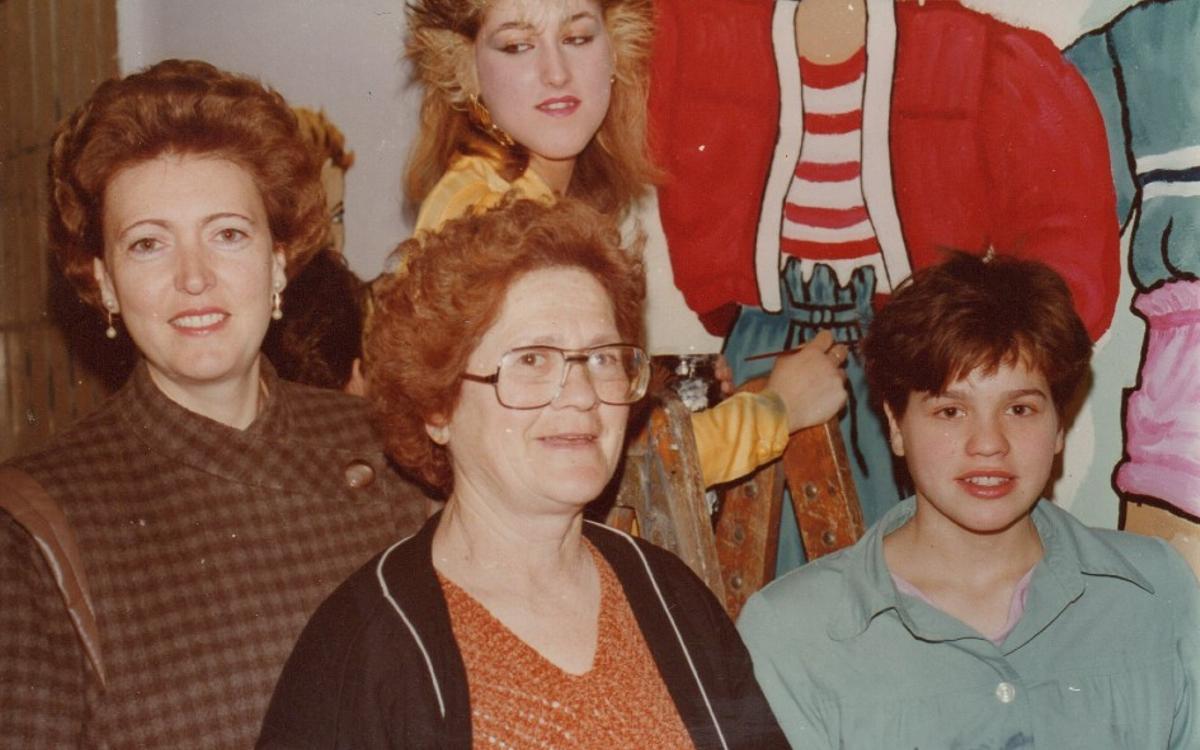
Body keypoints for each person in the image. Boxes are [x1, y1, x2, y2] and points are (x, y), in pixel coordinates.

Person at [0, 59, 428, 747]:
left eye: (228, 234)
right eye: (148, 245)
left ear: (279, 259)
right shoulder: (36, 528)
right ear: (103, 282)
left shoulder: (394, 450)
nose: (194, 278)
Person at [258, 198, 788, 748]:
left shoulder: (671, 596)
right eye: (532, 360)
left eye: (603, 358)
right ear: (437, 407)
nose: (582, 396)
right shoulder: (361, 646)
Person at [736, 251, 1199, 748]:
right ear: (895, 425)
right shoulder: (792, 632)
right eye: (951, 411)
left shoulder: (1155, 591)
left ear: (1059, 425)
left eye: (1019, 408)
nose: (988, 443)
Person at [394, 0, 849, 490]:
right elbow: (605, 466)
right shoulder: (490, 214)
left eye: (577, 38)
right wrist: (776, 411)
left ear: (616, 49)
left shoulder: (535, 198)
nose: (556, 73)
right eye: (518, 45)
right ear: (465, 71)